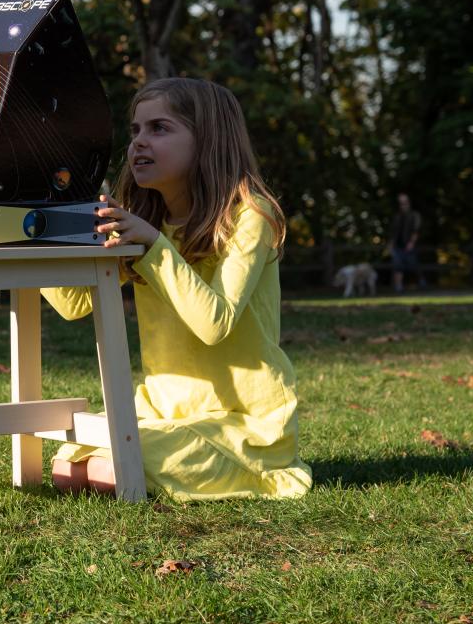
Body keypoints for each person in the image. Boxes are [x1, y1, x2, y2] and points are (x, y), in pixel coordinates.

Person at [42, 78, 312, 502]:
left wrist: (154, 245)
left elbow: (214, 323)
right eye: (135, 131)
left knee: (109, 470)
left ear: (208, 141)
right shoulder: (147, 220)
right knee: (67, 466)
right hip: (161, 415)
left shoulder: (250, 218)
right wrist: (48, 234)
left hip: (243, 422)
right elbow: (75, 304)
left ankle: (261, 470)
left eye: (159, 128)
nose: (138, 144)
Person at [387, 193, 425, 292]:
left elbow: (416, 230)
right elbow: (393, 233)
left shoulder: (415, 215)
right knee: (397, 265)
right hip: (397, 246)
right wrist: (390, 245)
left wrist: (411, 242)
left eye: (405, 202)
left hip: (410, 245)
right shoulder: (397, 217)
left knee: (413, 265)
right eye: (401, 203)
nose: (403, 205)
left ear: (408, 202)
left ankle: (421, 282)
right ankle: (398, 287)